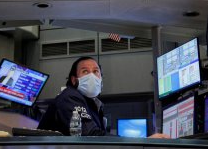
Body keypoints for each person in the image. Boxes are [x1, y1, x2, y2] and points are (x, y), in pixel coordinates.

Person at [37, 56, 169, 138]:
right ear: (74, 80)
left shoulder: (93, 105)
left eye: (96, 72)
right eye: (85, 72)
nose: (92, 76)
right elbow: (90, 137)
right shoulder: (70, 97)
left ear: (101, 79)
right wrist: (143, 143)